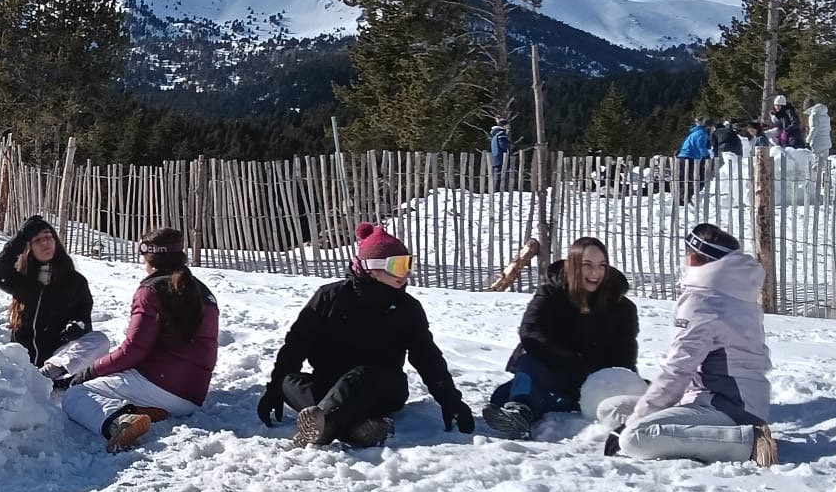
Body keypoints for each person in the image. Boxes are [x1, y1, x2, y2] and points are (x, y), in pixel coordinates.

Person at [256, 222, 475, 448]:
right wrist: (274, 391)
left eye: (408, 264)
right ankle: (357, 429)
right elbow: (296, 344)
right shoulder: (330, 297)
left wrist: (450, 401)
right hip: (330, 385)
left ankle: (326, 424)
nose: (406, 273)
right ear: (371, 267)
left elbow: (426, 356)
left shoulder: (406, 308)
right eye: (398, 265)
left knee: (362, 376)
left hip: (382, 386)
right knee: (288, 382)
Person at [605, 224, 778, 466]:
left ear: (694, 258)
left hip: (727, 406)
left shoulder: (703, 300)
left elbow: (678, 370)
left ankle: (748, 442)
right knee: (611, 409)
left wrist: (635, 421)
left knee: (634, 437)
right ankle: (698, 434)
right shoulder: (732, 292)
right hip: (721, 399)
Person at [53, 227, 218, 453]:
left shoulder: (151, 290)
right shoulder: (203, 292)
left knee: (77, 395)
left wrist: (89, 372)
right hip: (193, 395)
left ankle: (119, 422)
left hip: (160, 384)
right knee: (118, 379)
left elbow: (133, 350)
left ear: (148, 258)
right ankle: (147, 410)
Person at [483, 237, 639, 440]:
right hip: (551, 367)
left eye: (602, 266)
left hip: (593, 380)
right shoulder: (551, 293)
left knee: (506, 395)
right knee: (526, 367)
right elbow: (531, 332)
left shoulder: (622, 307)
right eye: (587, 265)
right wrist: (570, 361)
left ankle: (523, 403)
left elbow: (625, 356)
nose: (595, 273)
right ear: (573, 265)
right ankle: (520, 412)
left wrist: (626, 385)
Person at [0, 214, 107, 377]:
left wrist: (78, 327)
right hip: (23, 361)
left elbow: (84, 319)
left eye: (48, 237)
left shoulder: (75, 282)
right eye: (37, 240)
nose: (45, 243)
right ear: (29, 248)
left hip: (56, 359)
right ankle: (38, 377)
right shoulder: (22, 280)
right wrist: (21, 237)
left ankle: (49, 374)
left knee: (100, 340)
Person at [673, 117, 713, 205]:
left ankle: (683, 196)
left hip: (684, 155)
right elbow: (701, 145)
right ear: (709, 126)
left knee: (684, 177)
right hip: (690, 157)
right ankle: (686, 197)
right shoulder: (702, 133)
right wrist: (707, 156)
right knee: (693, 177)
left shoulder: (695, 132)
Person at [489, 121, 512, 188]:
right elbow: (503, 145)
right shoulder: (501, 133)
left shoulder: (495, 134)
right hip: (501, 157)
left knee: (497, 174)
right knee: (500, 175)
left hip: (496, 156)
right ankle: (499, 189)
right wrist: (509, 144)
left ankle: (496, 189)